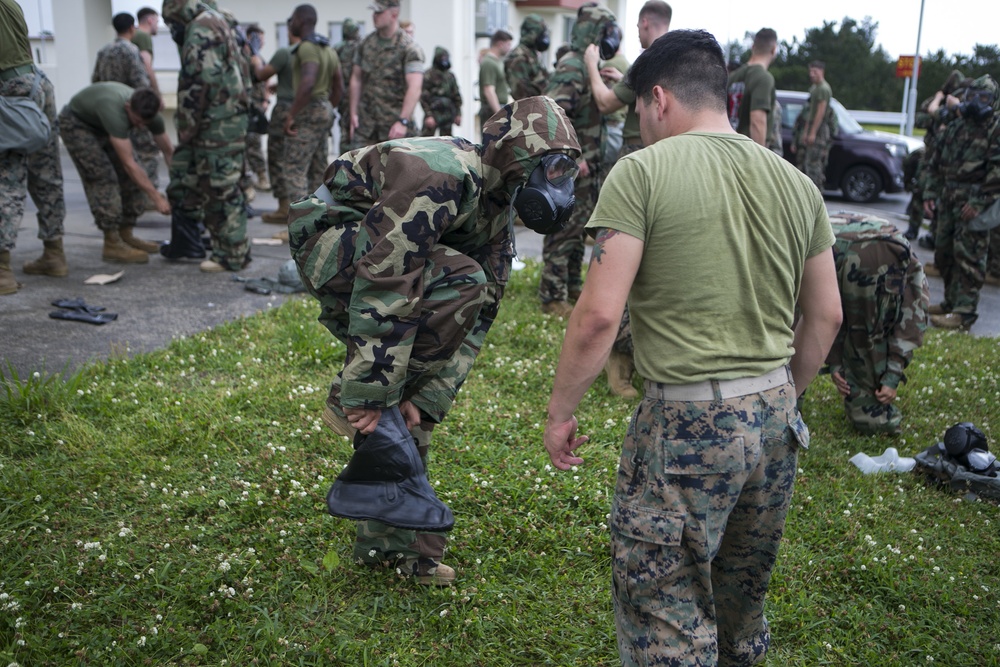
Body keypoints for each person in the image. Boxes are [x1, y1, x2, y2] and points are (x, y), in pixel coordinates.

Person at [542, 30, 842, 666]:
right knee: (740, 600)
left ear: (657, 99)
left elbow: (597, 316)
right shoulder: (796, 183)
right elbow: (827, 316)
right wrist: (780, 395)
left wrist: (560, 410)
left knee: (666, 607)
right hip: (776, 419)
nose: (642, 128)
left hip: (686, 421)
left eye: (640, 115)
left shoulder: (641, 172)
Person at [287, 96, 581, 586]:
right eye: (551, 167)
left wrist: (424, 395)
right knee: (447, 295)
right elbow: (387, 281)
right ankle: (354, 398)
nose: (558, 184)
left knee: (406, 391)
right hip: (331, 245)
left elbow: (479, 314)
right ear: (516, 154)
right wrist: (368, 391)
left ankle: (391, 542)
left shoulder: (496, 206)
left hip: (388, 268)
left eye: (565, 172)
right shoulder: (438, 174)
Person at [539, 4, 620, 319]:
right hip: (571, 167)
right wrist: (574, 156)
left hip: (585, 168)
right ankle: (551, 296)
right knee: (563, 228)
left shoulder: (588, 67)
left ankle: (571, 285)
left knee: (577, 228)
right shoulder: (572, 65)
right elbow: (553, 116)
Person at [159, 0, 250, 273]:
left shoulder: (200, 27)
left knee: (220, 187)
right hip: (226, 118)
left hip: (216, 123)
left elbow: (198, 81)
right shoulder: (218, 20)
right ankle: (205, 244)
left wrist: (186, 127)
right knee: (203, 183)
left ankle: (232, 255)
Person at [827, 212, 929, 434]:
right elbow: (911, 320)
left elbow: (814, 314)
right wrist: (835, 362)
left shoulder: (903, 268)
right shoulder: (908, 266)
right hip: (846, 238)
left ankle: (788, 405)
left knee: (802, 322)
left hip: (848, 241)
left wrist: (892, 376)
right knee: (873, 422)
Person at [58, 83, 171, 264]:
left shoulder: (151, 115)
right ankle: (112, 242)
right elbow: (129, 164)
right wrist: (156, 197)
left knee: (132, 178)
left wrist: (178, 186)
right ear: (128, 107)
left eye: (145, 123)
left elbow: (168, 152)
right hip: (78, 124)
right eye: (137, 122)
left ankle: (126, 234)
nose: (141, 127)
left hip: (104, 123)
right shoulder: (115, 110)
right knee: (103, 177)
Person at [922, 75, 1000, 331]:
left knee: (970, 258)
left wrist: (979, 202)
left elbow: (997, 171)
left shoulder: (994, 128)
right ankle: (950, 302)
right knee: (944, 253)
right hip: (949, 198)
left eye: (984, 98)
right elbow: (935, 164)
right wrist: (930, 194)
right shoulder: (957, 126)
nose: (977, 102)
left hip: (974, 203)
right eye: (972, 96)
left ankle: (964, 313)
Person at [0, 0, 66, 293]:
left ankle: (2, 271)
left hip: (9, 90)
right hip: (36, 84)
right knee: (46, 171)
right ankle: (55, 254)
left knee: (6, 178)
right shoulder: (10, 3)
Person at [92, 12, 162, 198]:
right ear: (132, 28)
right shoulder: (132, 51)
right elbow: (142, 83)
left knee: (121, 156)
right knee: (146, 152)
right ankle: (147, 195)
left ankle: (127, 193)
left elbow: (96, 81)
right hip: (134, 110)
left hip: (111, 111)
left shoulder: (104, 51)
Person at [283, 5, 340, 202]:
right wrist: (328, 108)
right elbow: (339, 86)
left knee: (294, 168)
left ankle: (297, 228)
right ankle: (318, 225)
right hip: (323, 108)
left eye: (292, 19)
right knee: (318, 170)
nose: (291, 24)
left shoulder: (307, 47)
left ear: (300, 20)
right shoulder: (328, 49)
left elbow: (307, 83)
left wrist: (292, 115)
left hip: (309, 110)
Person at [349, 0, 423, 147]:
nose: (374, 16)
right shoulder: (366, 44)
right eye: (374, 12)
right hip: (367, 127)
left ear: (394, 14)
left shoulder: (408, 48)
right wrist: (353, 114)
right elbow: (356, 79)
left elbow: (415, 87)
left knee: (397, 169)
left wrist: (403, 121)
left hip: (394, 128)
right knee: (358, 168)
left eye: (379, 12)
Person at [254, 27, 300, 226]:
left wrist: (255, 56)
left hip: (285, 109)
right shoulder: (316, 51)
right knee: (299, 160)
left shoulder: (286, 52)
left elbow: (261, 75)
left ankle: (284, 208)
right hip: (306, 108)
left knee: (277, 159)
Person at [726, 27, 777, 146]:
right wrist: (760, 159)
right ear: (774, 49)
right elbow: (757, 121)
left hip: (728, 145)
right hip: (748, 149)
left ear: (753, 47)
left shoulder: (733, 76)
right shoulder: (764, 78)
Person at [792, 60, 834, 190]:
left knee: (814, 166)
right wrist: (805, 132)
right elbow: (810, 113)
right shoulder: (815, 88)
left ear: (822, 72)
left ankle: (816, 197)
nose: (811, 74)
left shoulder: (823, 88)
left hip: (819, 130)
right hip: (812, 128)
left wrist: (813, 132)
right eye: (810, 71)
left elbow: (820, 112)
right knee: (807, 164)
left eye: (814, 71)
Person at [243, 24, 270, 193]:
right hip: (248, 106)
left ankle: (260, 177)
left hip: (258, 106)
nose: (262, 41)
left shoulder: (258, 57)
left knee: (254, 142)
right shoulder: (246, 58)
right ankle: (251, 181)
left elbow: (265, 78)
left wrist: (266, 100)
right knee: (249, 144)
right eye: (258, 38)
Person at [504, 14, 549, 101]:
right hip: (531, 111)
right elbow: (521, 95)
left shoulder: (531, 54)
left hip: (540, 108)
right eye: (540, 34)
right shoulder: (518, 57)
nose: (543, 38)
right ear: (531, 33)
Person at [420, 47, 461, 137]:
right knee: (425, 142)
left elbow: (456, 96)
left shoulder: (450, 76)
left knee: (447, 142)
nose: (444, 60)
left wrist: (458, 114)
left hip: (448, 114)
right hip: (433, 112)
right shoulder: (428, 74)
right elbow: (424, 97)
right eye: (442, 58)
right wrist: (428, 115)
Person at [333, 18, 361, 153]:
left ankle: (344, 161)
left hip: (343, 94)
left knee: (345, 129)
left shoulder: (337, 48)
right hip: (361, 95)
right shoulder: (362, 46)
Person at [478, 30, 513, 130]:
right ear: (500, 44)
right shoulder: (489, 63)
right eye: (508, 44)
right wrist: (499, 114)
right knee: (491, 144)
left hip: (497, 108)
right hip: (491, 110)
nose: (509, 48)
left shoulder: (497, 62)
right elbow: (489, 90)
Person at [132, 7, 161, 99]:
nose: (158, 26)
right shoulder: (143, 36)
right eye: (157, 22)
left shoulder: (133, 34)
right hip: (140, 90)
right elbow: (147, 65)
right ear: (150, 20)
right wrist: (157, 92)